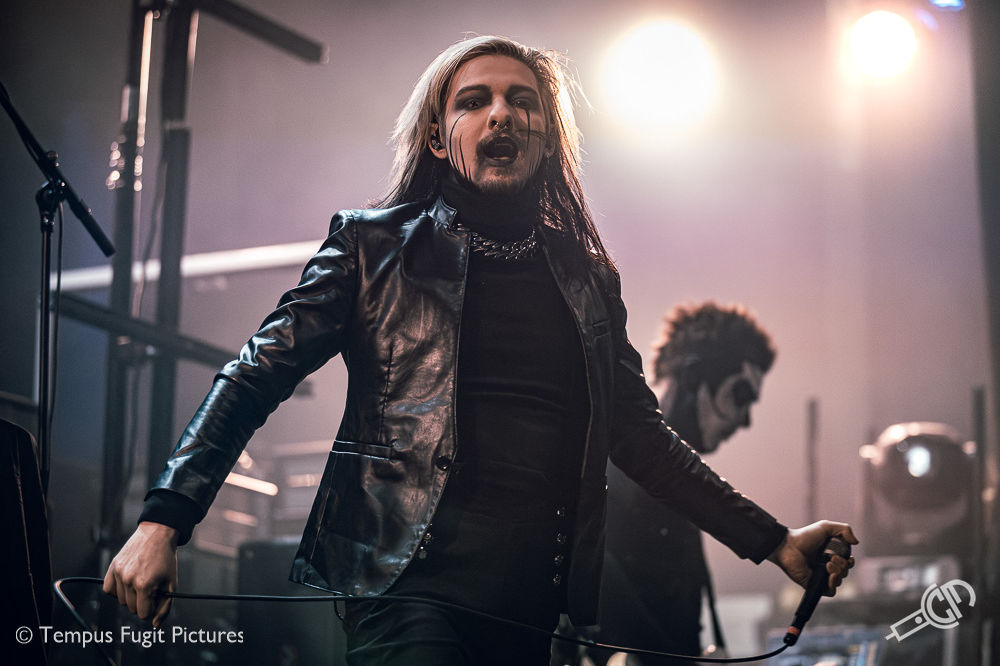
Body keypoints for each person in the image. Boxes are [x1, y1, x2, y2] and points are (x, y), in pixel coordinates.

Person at [103, 36, 856, 666]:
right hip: (405, 590)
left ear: (547, 136)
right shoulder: (373, 248)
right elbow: (254, 375)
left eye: (523, 101)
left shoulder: (588, 279)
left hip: (532, 609)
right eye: (474, 101)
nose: (501, 113)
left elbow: (641, 437)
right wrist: (164, 520)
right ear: (439, 137)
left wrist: (774, 541)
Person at [589, 302, 777, 665]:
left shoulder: (678, 489)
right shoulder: (621, 471)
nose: (745, 421)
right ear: (693, 378)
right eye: (740, 395)